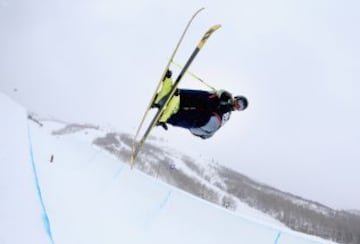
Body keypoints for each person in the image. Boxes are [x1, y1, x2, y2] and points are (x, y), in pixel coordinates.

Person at [152, 70, 248, 139]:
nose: (237, 105)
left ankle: (169, 117)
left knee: (206, 116)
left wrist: (223, 109)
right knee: (208, 97)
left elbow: (213, 126)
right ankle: (171, 96)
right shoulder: (226, 97)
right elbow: (218, 93)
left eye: (240, 107)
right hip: (204, 108)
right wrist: (222, 96)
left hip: (203, 126)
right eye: (239, 102)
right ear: (236, 98)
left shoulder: (227, 115)